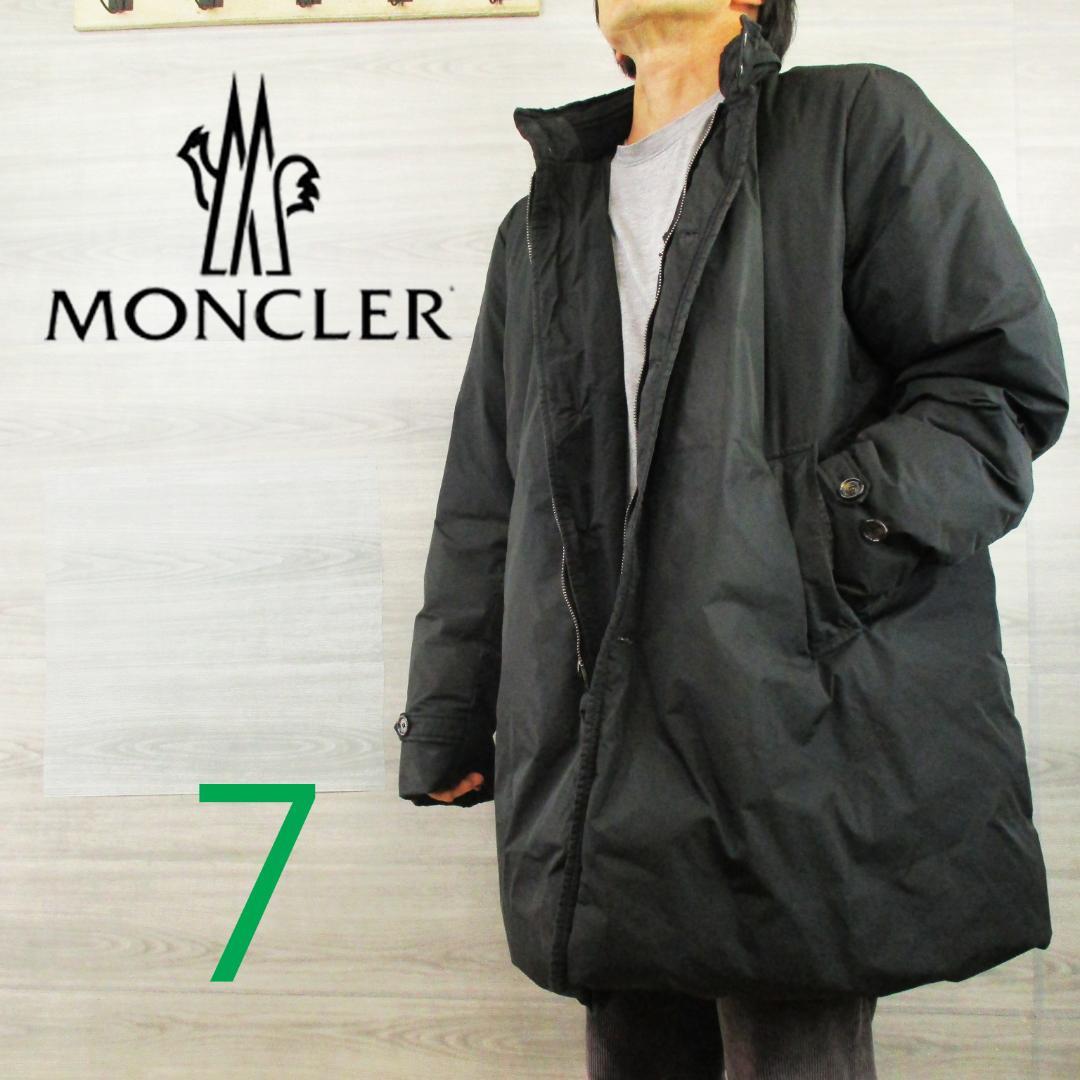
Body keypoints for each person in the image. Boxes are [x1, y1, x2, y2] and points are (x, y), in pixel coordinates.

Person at [394, 1, 1068, 1078]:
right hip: (596, 744)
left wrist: (805, 548)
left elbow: (992, 388)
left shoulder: (852, 125)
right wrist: (448, 714)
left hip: (793, 726)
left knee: (789, 1045)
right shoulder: (541, 226)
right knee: (634, 1049)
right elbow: (487, 490)